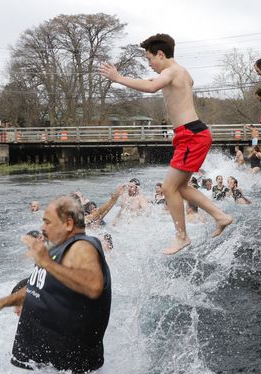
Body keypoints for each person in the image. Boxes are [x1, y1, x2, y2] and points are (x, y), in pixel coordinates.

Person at [100, 34, 233, 254]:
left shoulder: (172, 71)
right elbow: (177, 86)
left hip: (191, 134)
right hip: (188, 134)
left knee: (169, 187)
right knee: (181, 187)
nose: (150, 65)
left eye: (150, 59)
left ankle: (182, 236)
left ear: (161, 54)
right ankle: (220, 216)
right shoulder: (182, 73)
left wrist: (118, 78)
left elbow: (151, 87)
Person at [0, 196, 111, 374]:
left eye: (48, 222)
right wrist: (4, 302)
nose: (42, 228)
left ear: (68, 224)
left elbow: (93, 286)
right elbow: (43, 286)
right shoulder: (57, 250)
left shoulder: (82, 246)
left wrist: (46, 262)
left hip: (72, 371)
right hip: (52, 363)